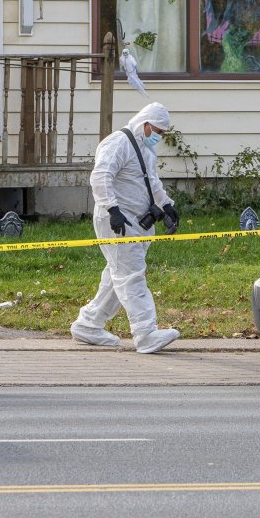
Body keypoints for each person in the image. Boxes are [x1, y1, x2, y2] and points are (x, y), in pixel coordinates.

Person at [70, 102, 181, 354]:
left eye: (163, 133)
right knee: (131, 275)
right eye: (158, 131)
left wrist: (167, 206)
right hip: (117, 221)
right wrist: (112, 209)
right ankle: (145, 333)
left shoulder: (146, 150)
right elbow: (101, 176)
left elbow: (151, 183)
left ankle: (89, 324)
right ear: (145, 124)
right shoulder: (118, 142)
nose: (159, 137)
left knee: (116, 275)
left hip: (134, 221)